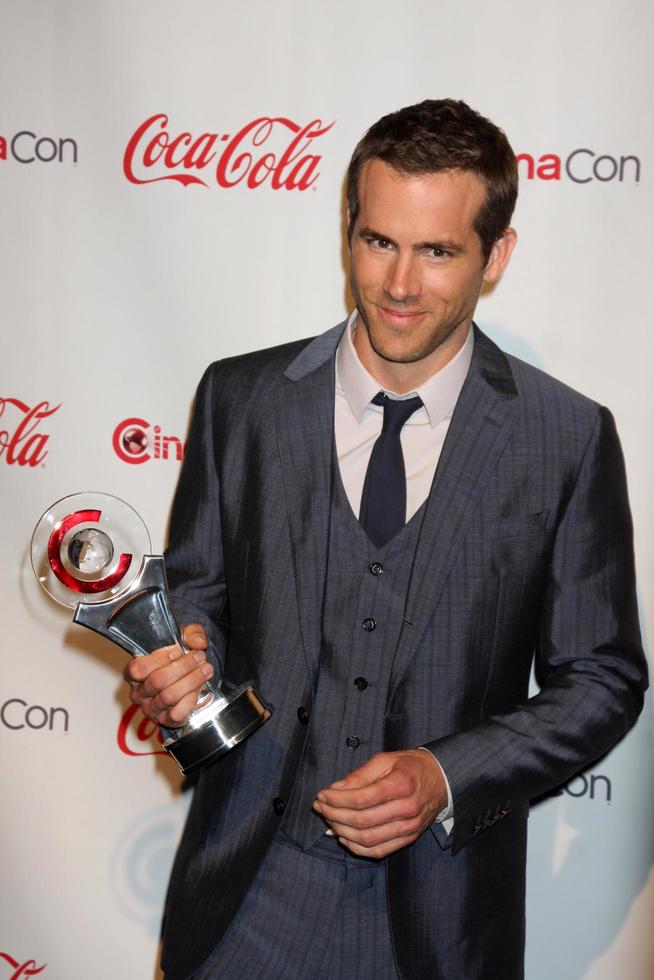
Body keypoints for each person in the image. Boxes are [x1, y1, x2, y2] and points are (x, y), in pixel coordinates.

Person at [125, 99, 647, 980]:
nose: (400, 285)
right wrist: (180, 671)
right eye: (379, 242)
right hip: (246, 897)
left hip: (439, 922)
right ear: (348, 230)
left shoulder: (566, 437)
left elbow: (601, 678)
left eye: (438, 251)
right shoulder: (240, 400)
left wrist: (447, 776)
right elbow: (197, 603)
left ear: (497, 255)